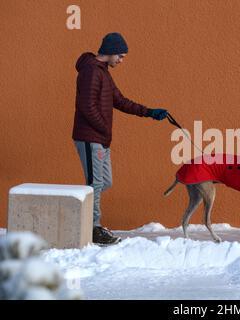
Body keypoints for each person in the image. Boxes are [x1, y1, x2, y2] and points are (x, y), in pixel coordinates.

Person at [72, 32, 168, 245]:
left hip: (100, 137)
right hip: (90, 137)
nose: (122, 60)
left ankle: (85, 221)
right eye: (121, 56)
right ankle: (93, 228)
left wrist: (150, 112)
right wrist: (103, 129)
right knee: (95, 183)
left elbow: (121, 101)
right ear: (112, 51)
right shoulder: (90, 72)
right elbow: (86, 107)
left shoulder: (103, 73)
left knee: (105, 181)